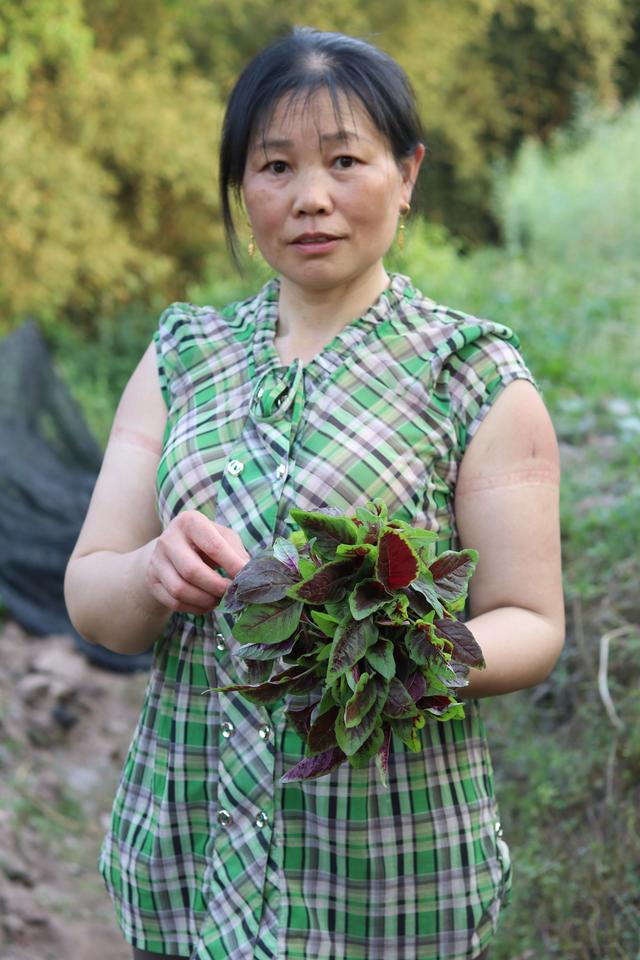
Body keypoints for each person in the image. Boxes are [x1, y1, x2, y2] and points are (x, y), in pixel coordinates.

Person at [64, 26, 564, 960]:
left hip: (389, 873)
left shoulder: (473, 374)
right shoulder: (183, 358)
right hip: (191, 855)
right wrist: (151, 572)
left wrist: (398, 651)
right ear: (241, 188)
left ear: (407, 172)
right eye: (275, 166)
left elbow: (531, 622)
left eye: (346, 160)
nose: (312, 198)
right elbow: (95, 599)